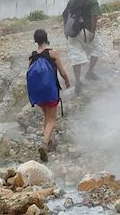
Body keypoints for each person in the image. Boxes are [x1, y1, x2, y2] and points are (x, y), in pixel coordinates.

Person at [28, 28, 70, 162]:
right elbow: (62, 72)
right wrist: (67, 81)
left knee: (46, 115)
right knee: (52, 119)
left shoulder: (32, 56)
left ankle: (49, 141)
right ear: (46, 38)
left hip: (38, 93)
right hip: (51, 90)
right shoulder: (53, 53)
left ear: (35, 40)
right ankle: (45, 144)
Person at [61, 0, 102, 94]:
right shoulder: (92, 0)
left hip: (72, 32)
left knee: (76, 55)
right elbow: (94, 16)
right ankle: (89, 72)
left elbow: (65, 15)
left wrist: (66, 30)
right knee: (97, 48)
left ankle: (78, 81)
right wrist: (92, 32)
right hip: (86, 32)